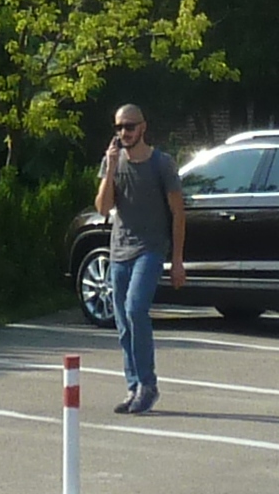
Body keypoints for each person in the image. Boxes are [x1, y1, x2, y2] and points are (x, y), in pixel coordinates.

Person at [93, 103, 186, 414]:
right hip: (119, 249)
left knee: (135, 309)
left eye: (129, 127)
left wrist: (177, 260)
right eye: (119, 128)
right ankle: (133, 385)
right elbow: (103, 208)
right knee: (122, 322)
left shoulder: (162, 164)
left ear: (143, 127)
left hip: (150, 248)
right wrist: (109, 166)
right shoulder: (114, 161)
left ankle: (148, 384)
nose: (124, 133)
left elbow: (178, 213)